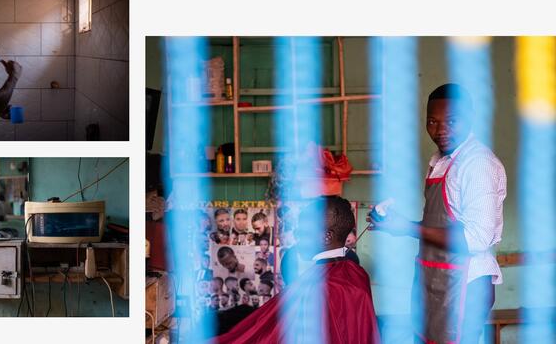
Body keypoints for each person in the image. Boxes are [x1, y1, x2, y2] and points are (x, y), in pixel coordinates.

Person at [368, 83, 506, 344]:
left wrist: (408, 227)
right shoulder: (442, 160)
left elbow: (476, 238)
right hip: (435, 278)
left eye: (452, 121)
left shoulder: (477, 164)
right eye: (432, 121)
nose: (441, 130)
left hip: (466, 283)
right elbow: (442, 224)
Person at [212, 196, 380, 344]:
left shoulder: (321, 287)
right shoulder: (357, 273)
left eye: (304, 231)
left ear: (326, 236)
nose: (297, 236)